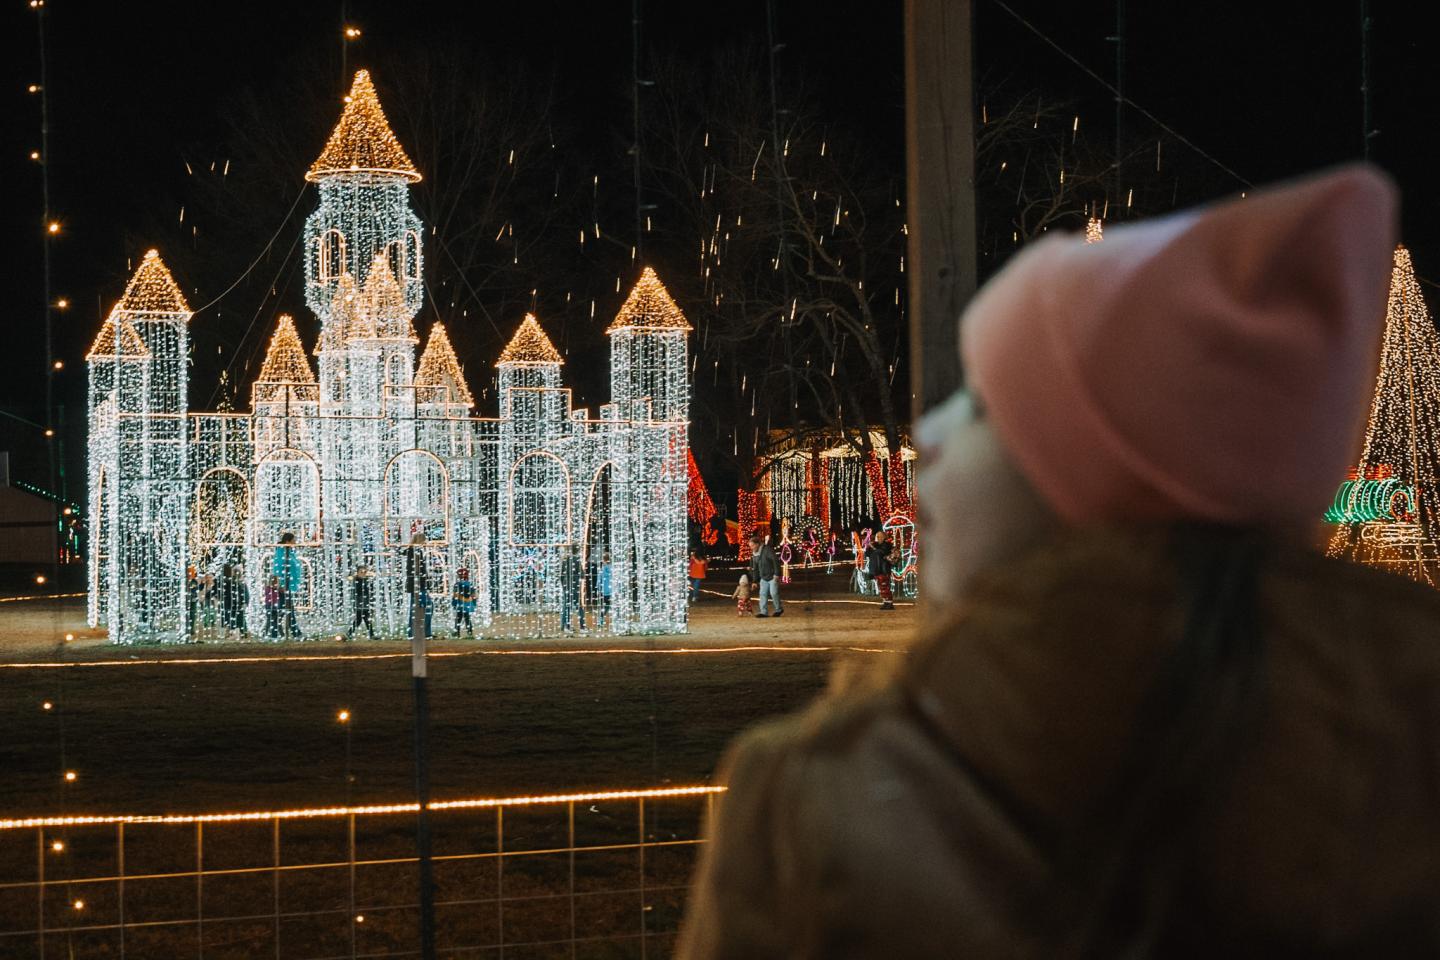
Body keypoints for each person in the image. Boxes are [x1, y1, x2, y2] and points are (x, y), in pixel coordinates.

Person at [678, 168, 1440, 957]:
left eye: (980, 404)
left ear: (1091, 478)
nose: (929, 436)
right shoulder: (1401, 781)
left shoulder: (822, 807)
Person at [271, 532, 303, 639]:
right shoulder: (282, 552)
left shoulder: (289, 551)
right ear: (288, 541)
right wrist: (281, 584)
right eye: (294, 540)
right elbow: (278, 569)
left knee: (285, 611)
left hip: (288, 586)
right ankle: (295, 633)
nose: (295, 542)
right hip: (283, 587)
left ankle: (274, 632)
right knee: (287, 611)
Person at [405, 532, 433, 639]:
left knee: (419, 607)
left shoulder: (413, 551)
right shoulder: (414, 551)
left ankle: (416, 633)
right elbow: (417, 570)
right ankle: (423, 633)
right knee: (424, 607)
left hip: (417, 585)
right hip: (418, 585)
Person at [747, 534, 782, 618]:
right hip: (763, 577)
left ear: (757, 544)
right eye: (750, 546)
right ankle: (763, 612)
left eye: (752, 545)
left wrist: (777, 574)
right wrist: (755, 581)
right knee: (762, 594)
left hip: (772, 576)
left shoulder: (767, 550)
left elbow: (775, 561)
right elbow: (755, 568)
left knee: (774, 593)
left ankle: (779, 609)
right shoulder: (754, 554)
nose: (751, 547)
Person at [863, 529, 897, 610]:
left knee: (885, 586)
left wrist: (873, 547)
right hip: (876, 569)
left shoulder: (887, 545)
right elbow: (867, 554)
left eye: (879, 536)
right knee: (881, 587)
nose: (877, 538)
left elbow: (882, 552)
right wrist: (868, 547)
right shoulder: (875, 545)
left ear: (883, 537)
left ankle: (889, 603)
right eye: (876, 536)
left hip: (884, 568)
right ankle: (885, 602)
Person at [560, 544, 587, 633]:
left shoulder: (565, 560)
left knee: (567, 607)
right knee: (579, 608)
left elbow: (561, 575)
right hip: (575, 587)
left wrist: (563, 586)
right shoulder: (577, 561)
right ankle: (582, 627)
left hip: (566, 586)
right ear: (578, 551)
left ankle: (566, 627)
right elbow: (582, 575)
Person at [220, 563, 248, 639]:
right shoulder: (235, 581)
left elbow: (242, 592)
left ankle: (235, 633)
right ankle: (241, 632)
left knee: (233, 618)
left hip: (232, 603)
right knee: (238, 618)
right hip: (234, 602)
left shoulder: (231, 581)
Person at [348, 565, 376, 641]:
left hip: (366, 602)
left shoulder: (366, 580)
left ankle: (350, 633)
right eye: (361, 572)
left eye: (364, 572)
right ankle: (371, 635)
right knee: (362, 619)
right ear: (357, 572)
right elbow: (356, 592)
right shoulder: (356, 580)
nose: (363, 573)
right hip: (358, 602)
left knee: (364, 619)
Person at [453, 566, 477, 638]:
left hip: (460, 603)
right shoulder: (470, 584)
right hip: (468, 604)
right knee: (467, 618)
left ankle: (457, 633)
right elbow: (473, 595)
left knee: (458, 618)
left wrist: (454, 603)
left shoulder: (457, 584)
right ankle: (469, 632)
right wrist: (474, 604)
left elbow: (455, 595)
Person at [262, 575, 282, 640]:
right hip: (272, 606)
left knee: (271, 620)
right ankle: (276, 634)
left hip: (270, 605)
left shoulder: (269, 588)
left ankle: (265, 633)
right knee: (274, 621)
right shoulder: (272, 588)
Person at [596, 551, 613, 628]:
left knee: (603, 606)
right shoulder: (612, 568)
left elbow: (599, 580)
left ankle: (600, 621)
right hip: (611, 591)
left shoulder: (602, 569)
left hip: (603, 591)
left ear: (604, 560)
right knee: (608, 606)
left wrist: (598, 589)